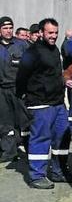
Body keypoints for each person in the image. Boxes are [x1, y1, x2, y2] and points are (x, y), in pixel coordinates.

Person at [16, 18, 71, 189]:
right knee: (40, 138)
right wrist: (24, 95)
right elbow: (22, 76)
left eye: (56, 32)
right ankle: (36, 176)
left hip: (57, 103)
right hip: (40, 104)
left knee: (63, 136)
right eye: (50, 33)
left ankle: (58, 171)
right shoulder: (32, 52)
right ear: (41, 33)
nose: (54, 36)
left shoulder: (54, 50)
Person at [0, 17, 30, 163]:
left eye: (10, 27)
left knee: (24, 121)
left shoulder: (21, 45)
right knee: (5, 122)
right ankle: (9, 152)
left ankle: (32, 150)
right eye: (5, 28)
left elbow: (31, 65)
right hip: (1, 90)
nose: (8, 31)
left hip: (18, 89)